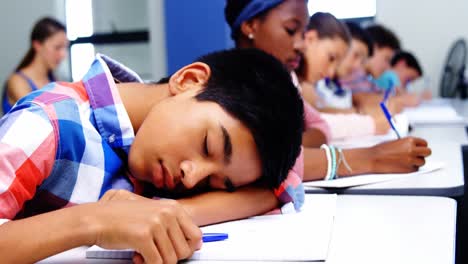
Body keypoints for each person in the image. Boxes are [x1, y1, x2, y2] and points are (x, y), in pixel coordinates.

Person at [0, 49, 305, 263]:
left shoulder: (149, 156)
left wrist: (176, 212)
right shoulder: (49, 123)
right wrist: (93, 221)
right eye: (208, 145)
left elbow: (276, 190)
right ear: (188, 81)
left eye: (215, 182)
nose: (193, 177)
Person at [224, 0, 431, 182]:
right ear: (250, 25)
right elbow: (260, 161)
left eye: (303, 33)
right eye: (290, 29)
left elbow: (318, 125)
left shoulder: (282, 82)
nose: (301, 45)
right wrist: (371, 157)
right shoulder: (230, 88)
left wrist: (289, 145)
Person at [2, 17, 68, 114]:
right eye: (57, 47)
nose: (63, 55)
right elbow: (41, 116)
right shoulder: (17, 81)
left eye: (65, 47)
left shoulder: (54, 80)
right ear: (37, 45)